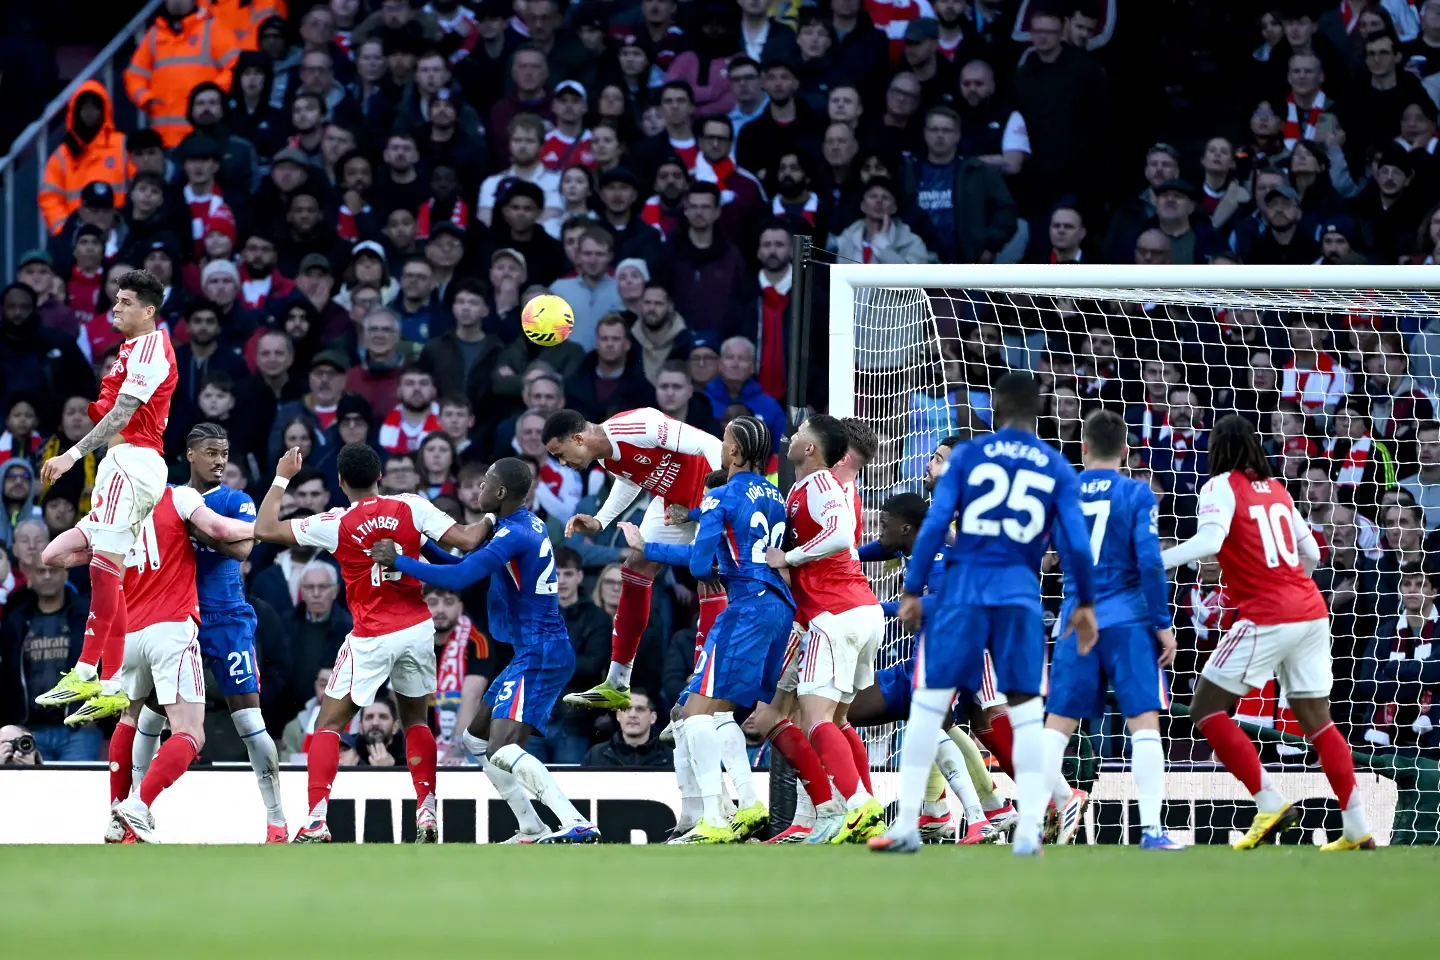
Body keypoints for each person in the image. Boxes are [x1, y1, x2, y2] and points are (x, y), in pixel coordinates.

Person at [871, 373, 1097, 856]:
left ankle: (909, 824)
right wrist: (1085, 603)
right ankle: (1033, 828)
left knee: (928, 703)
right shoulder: (1055, 466)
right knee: (1024, 709)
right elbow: (1075, 543)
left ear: (994, 408)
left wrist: (912, 590)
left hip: (965, 592)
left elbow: (934, 522)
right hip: (1018, 596)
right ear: (1037, 411)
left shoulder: (971, 456)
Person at [253, 442, 491, 842]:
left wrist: (281, 477)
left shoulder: (336, 521)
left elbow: (264, 529)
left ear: (341, 481)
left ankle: (316, 818)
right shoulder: (412, 506)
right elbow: (467, 540)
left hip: (371, 633)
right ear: (380, 475)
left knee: (328, 724)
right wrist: (490, 513)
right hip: (417, 628)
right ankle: (427, 810)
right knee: (416, 720)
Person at [1160, 415, 1375, 851]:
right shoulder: (1278, 489)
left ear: (1216, 448)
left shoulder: (1220, 486)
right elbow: (1312, 552)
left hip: (1268, 613)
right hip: (1311, 610)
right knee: (1319, 723)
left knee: (1204, 708)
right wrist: (1293, 586)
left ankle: (1269, 802)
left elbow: (1209, 542)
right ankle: (1357, 828)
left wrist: (1151, 561)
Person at [372, 457, 601, 844]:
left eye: (484, 483)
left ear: (500, 492)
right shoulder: (522, 525)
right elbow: (466, 566)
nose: (478, 490)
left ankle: (575, 820)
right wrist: (422, 544)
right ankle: (531, 825)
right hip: (532, 650)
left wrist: (402, 562)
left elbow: (461, 578)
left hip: (541, 652)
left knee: (501, 746)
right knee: (476, 741)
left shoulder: (513, 535)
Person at [617, 416, 792, 843]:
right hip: (779, 608)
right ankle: (746, 804)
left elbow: (699, 564)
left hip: (745, 608)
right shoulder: (774, 493)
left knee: (692, 719)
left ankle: (713, 818)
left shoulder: (721, 497)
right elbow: (742, 521)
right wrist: (693, 512)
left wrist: (646, 546)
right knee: (717, 714)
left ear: (732, 452)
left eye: (725, 442)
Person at [33, 271, 177, 725]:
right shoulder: (131, 349)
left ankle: (88, 671)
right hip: (122, 467)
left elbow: (122, 413)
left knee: (103, 568)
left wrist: (73, 455)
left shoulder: (153, 347)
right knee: (57, 556)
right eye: (115, 300)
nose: (115, 308)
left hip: (133, 463)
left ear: (148, 310)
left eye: (126, 302)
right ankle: (113, 682)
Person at [1042, 410, 1185, 851]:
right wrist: (1163, 625)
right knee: (1143, 724)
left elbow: (1044, 554)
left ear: (1082, 448)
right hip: (1127, 620)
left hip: (1075, 620)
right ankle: (1151, 831)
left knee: (1055, 729)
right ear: (1126, 450)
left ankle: (1037, 821)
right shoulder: (1137, 494)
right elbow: (1150, 562)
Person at [93, 478, 257, 842]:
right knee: (189, 732)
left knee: (129, 718)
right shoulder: (179, 496)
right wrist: (266, 529)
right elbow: (220, 529)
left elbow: (53, 555)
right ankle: (138, 805)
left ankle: (115, 815)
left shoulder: (112, 509)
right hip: (169, 627)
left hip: (127, 628)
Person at [759, 414, 885, 844]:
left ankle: (856, 805)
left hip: (834, 614)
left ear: (813, 449)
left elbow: (840, 534)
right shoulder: (806, 488)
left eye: (800, 435)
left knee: (813, 718)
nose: (792, 438)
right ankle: (847, 806)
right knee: (837, 720)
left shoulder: (822, 486)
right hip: (853, 612)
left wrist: (788, 559)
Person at [543, 407, 723, 709]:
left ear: (578, 438)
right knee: (634, 567)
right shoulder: (604, 455)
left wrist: (721, 498)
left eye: (561, 454)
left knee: (708, 574)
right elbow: (630, 479)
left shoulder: (639, 426)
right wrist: (601, 520)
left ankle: (701, 692)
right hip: (672, 502)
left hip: (710, 494)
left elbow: (711, 445)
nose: (563, 463)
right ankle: (617, 683)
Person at [179, 422, 286, 841]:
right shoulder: (173, 497)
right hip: (180, 618)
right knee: (148, 716)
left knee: (250, 723)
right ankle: (132, 809)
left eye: (223, 452)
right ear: (191, 454)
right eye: (210, 452)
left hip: (227, 620)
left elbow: (243, 548)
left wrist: (194, 530)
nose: (219, 460)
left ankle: (276, 818)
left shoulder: (236, 499)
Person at [124, 0, 240, 148]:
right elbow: (134, 75)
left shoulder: (211, 28)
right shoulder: (154, 35)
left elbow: (235, 65)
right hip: (164, 137)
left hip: (204, 134)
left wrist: (213, 93)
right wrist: (145, 98)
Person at [581, 689, 673, 768]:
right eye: (626, 708)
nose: (632, 715)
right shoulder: (596, 755)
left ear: (653, 717)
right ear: (618, 716)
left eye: (640, 709)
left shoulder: (671, 757)